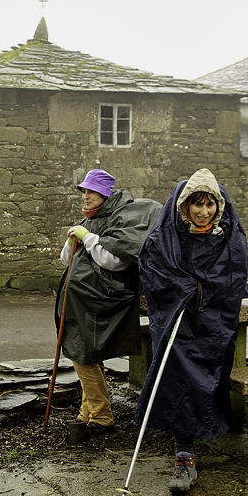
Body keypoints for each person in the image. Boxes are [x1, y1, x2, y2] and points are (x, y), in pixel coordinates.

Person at [134, 168, 248, 494]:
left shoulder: (228, 233)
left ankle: (207, 431)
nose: (203, 212)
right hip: (176, 319)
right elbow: (152, 266)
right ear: (185, 205)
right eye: (196, 205)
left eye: (210, 205)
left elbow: (234, 271)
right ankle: (184, 456)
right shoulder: (168, 234)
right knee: (177, 378)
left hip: (212, 320)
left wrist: (205, 287)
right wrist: (183, 288)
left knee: (207, 379)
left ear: (219, 205)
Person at [55, 169, 161, 440]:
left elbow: (115, 261)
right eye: (83, 191)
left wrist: (88, 238)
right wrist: (72, 240)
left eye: (91, 191)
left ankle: (102, 416)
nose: (85, 196)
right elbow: (68, 261)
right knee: (85, 353)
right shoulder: (90, 218)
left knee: (82, 354)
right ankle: (86, 414)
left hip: (105, 301)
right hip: (83, 300)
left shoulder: (122, 218)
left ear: (105, 193)